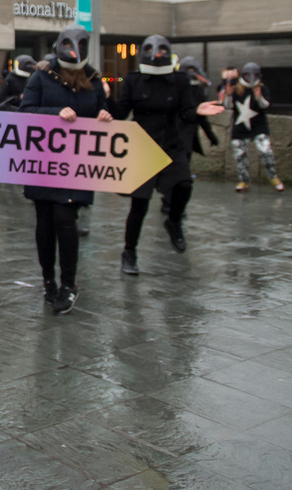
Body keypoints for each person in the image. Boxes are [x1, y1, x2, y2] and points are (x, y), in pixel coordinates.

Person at [109, 36, 223, 275]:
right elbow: (121, 112)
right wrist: (107, 96)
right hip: (142, 147)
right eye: (151, 49)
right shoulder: (133, 79)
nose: (157, 54)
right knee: (139, 204)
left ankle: (173, 221)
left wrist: (198, 112)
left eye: (162, 49)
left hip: (171, 144)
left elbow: (186, 113)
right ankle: (129, 253)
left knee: (184, 185)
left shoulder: (179, 80)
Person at [20, 25, 112, 314]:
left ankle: (69, 283)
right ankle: (48, 279)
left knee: (66, 220)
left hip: (77, 166)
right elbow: (25, 112)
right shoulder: (41, 76)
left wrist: (106, 115)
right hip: (44, 163)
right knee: (45, 224)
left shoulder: (95, 80)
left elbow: (107, 113)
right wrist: (54, 114)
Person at [222, 62, 284, 192]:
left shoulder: (262, 88)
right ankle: (244, 180)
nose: (251, 78)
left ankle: (273, 177)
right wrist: (227, 95)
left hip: (258, 126)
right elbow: (228, 106)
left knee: (265, 151)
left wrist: (258, 97)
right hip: (240, 127)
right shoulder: (236, 87)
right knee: (240, 155)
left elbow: (265, 105)